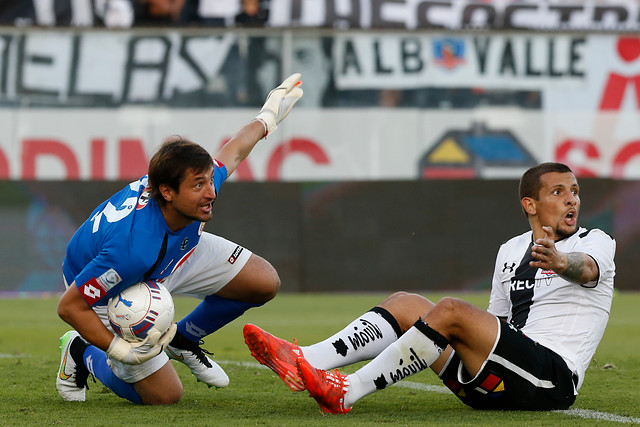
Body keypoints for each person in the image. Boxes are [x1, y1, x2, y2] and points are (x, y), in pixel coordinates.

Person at [243, 162, 616, 413]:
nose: (572, 199)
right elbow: (497, 322)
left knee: (451, 309)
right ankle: (306, 359)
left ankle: (347, 390)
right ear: (530, 204)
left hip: (551, 381)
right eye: (558, 192)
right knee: (407, 303)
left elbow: (587, 270)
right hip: (496, 377)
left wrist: (561, 261)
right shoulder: (511, 249)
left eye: (575, 191)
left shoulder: (595, 241)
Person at [56, 73, 303, 405]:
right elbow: (70, 306)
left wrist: (267, 117)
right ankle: (81, 351)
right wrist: (118, 349)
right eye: (199, 186)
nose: (211, 192)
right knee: (165, 395)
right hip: (110, 283)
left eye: (209, 181)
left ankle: (183, 339)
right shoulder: (130, 250)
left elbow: (236, 151)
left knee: (263, 281)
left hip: (170, 249)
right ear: (168, 192)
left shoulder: (189, 188)